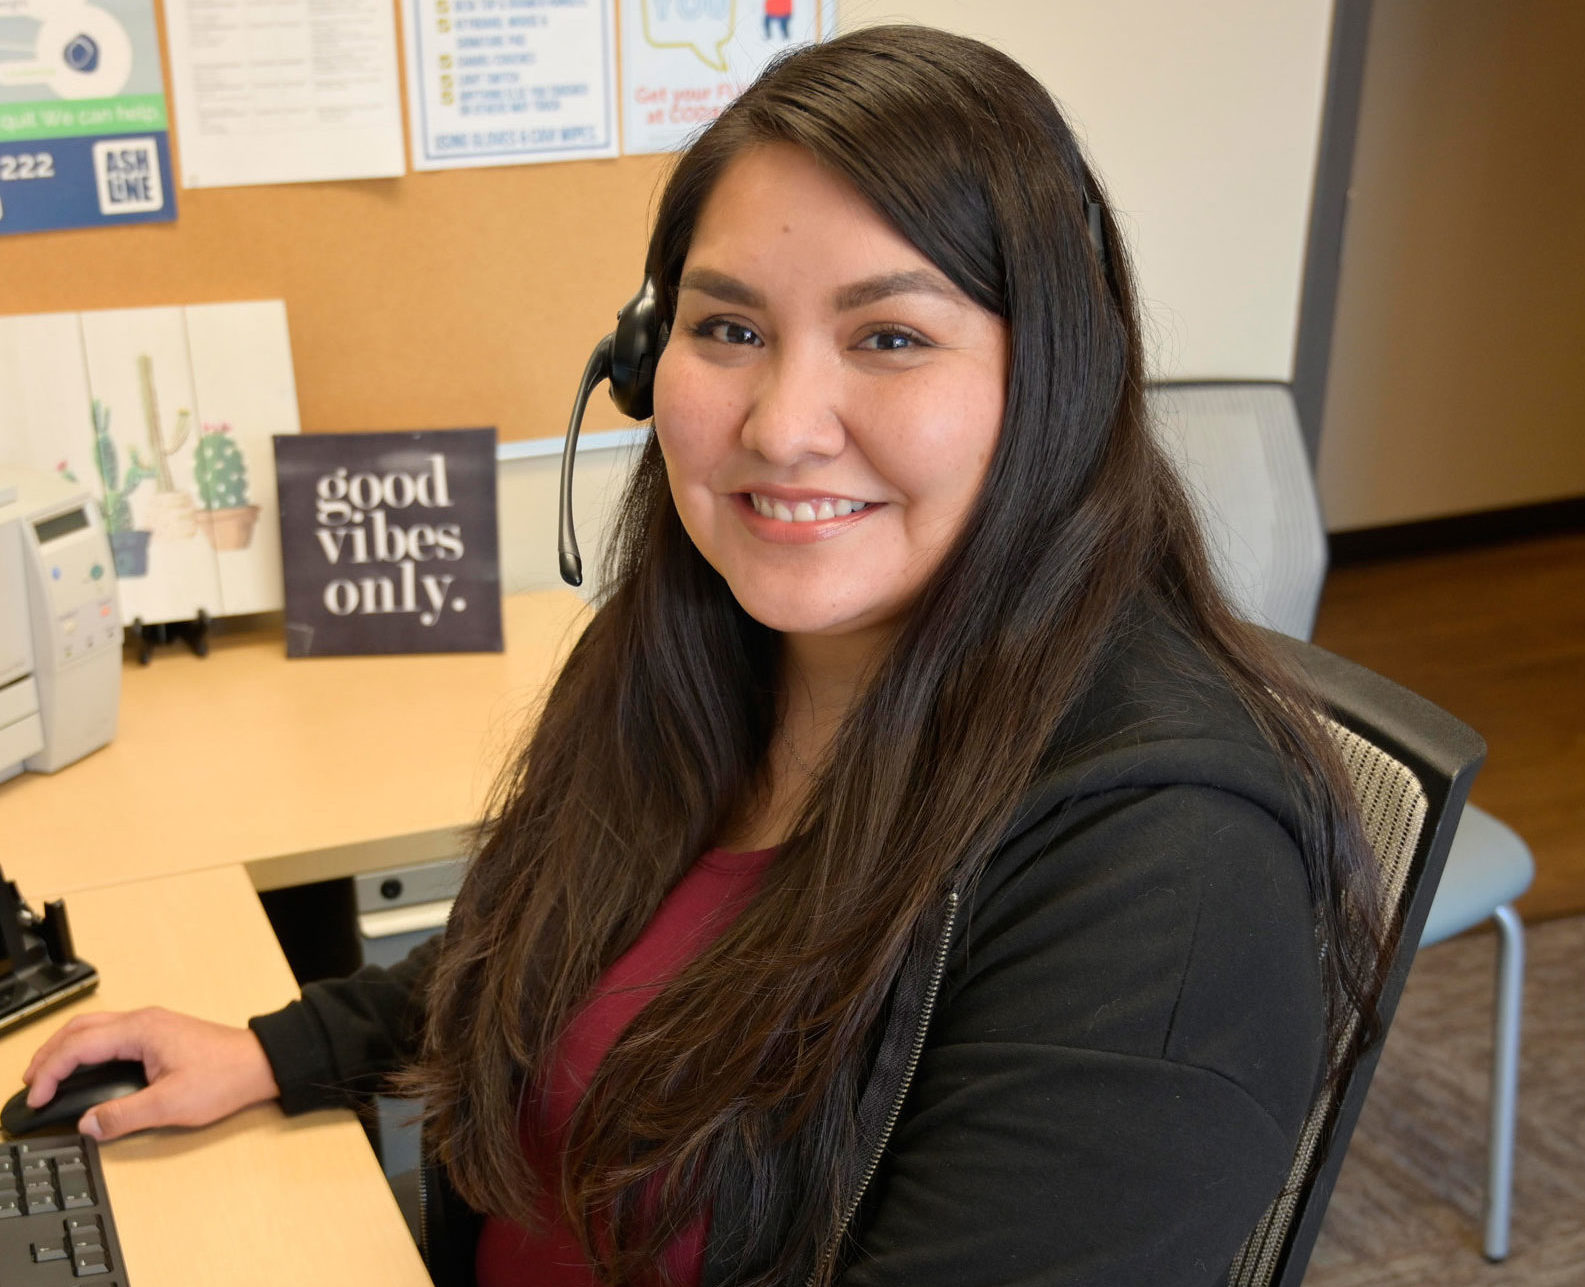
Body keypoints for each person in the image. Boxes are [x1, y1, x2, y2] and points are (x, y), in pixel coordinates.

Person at [22, 26, 1388, 1287]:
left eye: (891, 338)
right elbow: (562, 943)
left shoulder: (1172, 882)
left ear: (1054, 383)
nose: (783, 425)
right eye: (728, 328)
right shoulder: (708, 651)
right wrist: (282, 1050)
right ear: (641, 360)